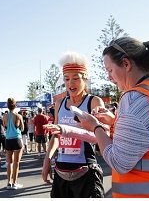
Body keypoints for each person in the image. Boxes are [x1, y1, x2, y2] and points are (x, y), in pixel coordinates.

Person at [71, 37, 149, 197]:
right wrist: (115, 123)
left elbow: (118, 161)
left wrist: (96, 127)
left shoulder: (135, 99)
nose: (109, 77)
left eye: (110, 70)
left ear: (126, 64)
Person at [41, 52, 105, 197]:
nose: (71, 83)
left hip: (85, 170)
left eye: (76, 78)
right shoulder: (59, 103)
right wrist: (47, 160)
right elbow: (56, 135)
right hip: (61, 170)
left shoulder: (94, 102)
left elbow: (99, 135)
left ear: (85, 79)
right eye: (67, 79)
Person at [3, 98, 24, 190]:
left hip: (8, 140)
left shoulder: (4, 116)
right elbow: (22, 129)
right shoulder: (19, 116)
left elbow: (5, 126)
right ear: (15, 106)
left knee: (9, 163)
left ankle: (9, 183)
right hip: (17, 139)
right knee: (16, 163)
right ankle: (14, 183)